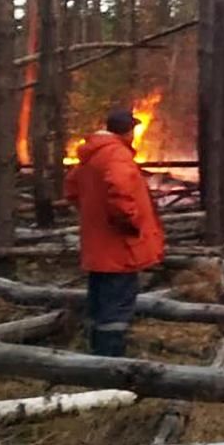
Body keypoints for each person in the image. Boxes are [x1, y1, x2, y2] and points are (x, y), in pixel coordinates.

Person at [64, 107, 165, 356]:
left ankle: (96, 353)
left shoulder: (92, 155)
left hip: (99, 247)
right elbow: (120, 190)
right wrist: (128, 222)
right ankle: (110, 363)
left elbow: (72, 189)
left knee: (99, 302)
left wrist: (95, 215)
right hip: (119, 247)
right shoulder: (116, 155)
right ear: (128, 131)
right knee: (117, 305)